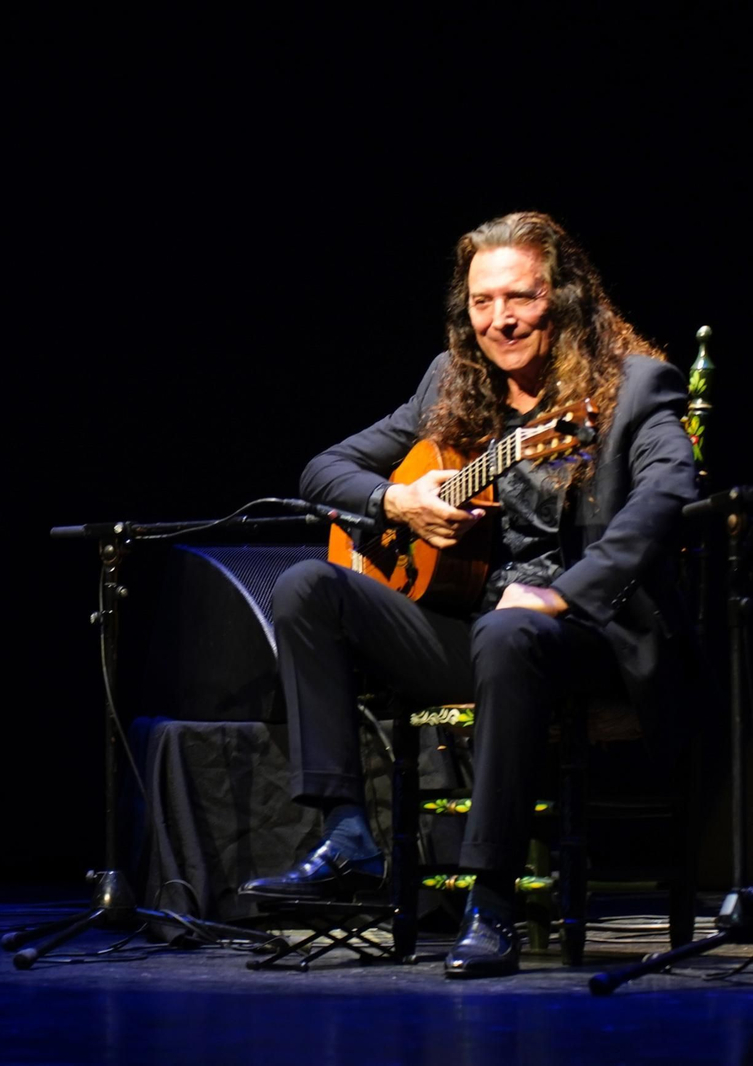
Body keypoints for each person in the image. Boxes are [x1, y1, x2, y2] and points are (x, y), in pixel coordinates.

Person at [240, 211, 698, 978]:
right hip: (477, 628)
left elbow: (666, 498)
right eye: (482, 303)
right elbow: (324, 470)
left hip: (586, 635)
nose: (500, 320)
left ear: (567, 299)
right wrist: (401, 503)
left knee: (510, 632)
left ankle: (492, 903)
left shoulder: (632, 384)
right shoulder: (453, 384)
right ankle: (348, 834)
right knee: (308, 586)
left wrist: (565, 596)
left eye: (519, 298)